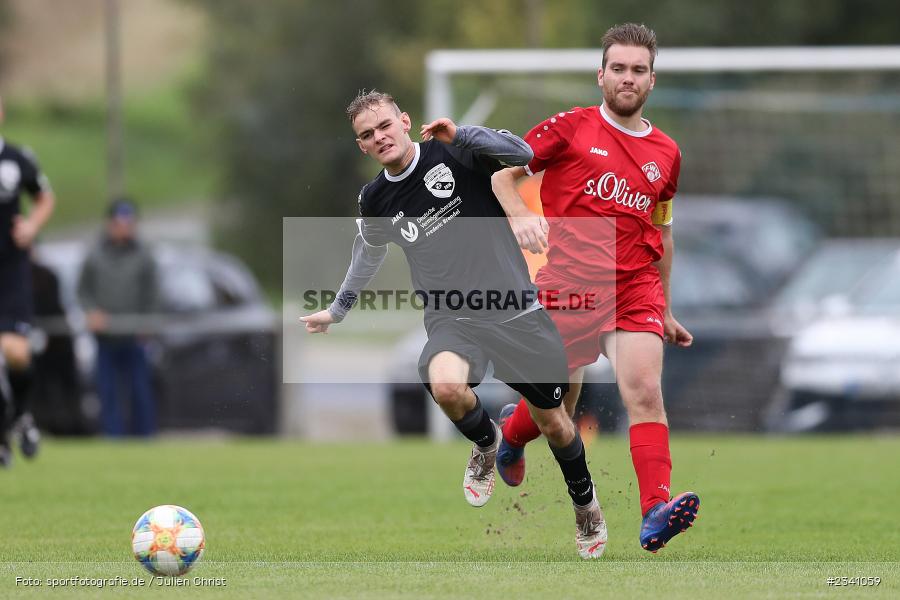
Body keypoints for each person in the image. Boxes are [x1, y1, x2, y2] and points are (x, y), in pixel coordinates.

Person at [301, 90, 608, 558]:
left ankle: (585, 504)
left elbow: (522, 154)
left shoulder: (455, 150)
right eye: (367, 134)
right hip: (452, 318)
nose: (379, 136)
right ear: (361, 145)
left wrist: (463, 133)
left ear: (405, 121)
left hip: (515, 310)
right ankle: (487, 443)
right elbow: (368, 253)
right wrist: (338, 309)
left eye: (385, 125)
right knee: (445, 385)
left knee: (556, 424)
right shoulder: (376, 198)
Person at [490, 23, 699, 553]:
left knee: (644, 391)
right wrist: (520, 217)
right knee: (554, 407)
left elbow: (662, 231)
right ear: (600, 75)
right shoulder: (569, 128)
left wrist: (665, 308)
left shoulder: (667, 152)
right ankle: (510, 437)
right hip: (570, 288)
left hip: (635, 288)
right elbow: (502, 177)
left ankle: (655, 511)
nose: (628, 78)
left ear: (652, 80)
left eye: (639, 70)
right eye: (619, 68)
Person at [0, 95, 56, 466]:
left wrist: (32, 226)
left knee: (16, 353)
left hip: (10, 270)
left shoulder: (17, 159)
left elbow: (44, 198)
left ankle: (21, 415)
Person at [77, 198, 158, 437]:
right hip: (106, 338)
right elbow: (83, 291)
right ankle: (113, 439)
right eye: (120, 222)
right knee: (108, 392)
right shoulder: (95, 255)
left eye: (129, 223)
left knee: (140, 391)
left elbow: (153, 293)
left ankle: (144, 438)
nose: (124, 228)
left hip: (135, 337)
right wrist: (92, 311)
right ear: (110, 223)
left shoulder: (144, 256)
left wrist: (148, 321)